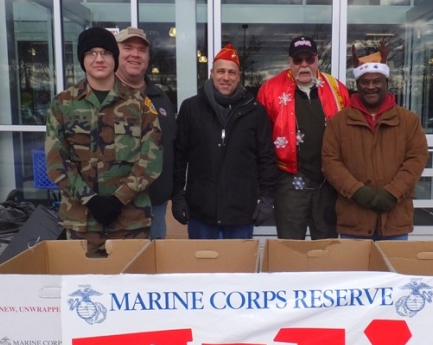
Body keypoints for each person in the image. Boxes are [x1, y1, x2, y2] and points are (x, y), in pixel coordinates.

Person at [45, 26, 163, 255]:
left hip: (130, 222)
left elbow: (152, 159)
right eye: (91, 53)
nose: (99, 59)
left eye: (106, 53)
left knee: (129, 286)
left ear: (114, 58)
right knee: (83, 288)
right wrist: (90, 200)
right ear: (83, 59)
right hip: (81, 223)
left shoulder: (140, 104)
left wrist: (119, 199)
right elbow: (56, 161)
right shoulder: (62, 104)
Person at [321, 42, 429, 241]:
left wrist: (392, 193)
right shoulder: (338, 122)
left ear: (386, 83)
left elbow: (416, 159)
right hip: (354, 221)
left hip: (394, 220)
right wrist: (358, 192)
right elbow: (330, 162)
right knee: (355, 272)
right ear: (357, 85)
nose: (371, 87)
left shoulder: (409, 121)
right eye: (365, 82)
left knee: (392, 272)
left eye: (377, 81)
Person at [172, 43, 277, 239]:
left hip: (241, 211)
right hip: (201, 209)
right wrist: (178, 195)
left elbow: (267, 158)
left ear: (239, 76)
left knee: (238, 268)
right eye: (221, 71)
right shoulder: (190, 108)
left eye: (232, 72)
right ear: (211, 73)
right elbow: (179, 156)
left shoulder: (255, 112)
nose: (226, 77)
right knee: (203, 266)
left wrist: (267, 198)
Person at [257, 35, 350, 240]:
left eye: (310, 59)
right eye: (298, 60)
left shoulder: (337, 89)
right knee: (290, 247)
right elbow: (260, 141)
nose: (304, 65)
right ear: (290, 62)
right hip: (288, 180)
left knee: (326, 247)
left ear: (317, 60)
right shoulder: (270, 90)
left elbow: (350, 134)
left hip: (328, 181)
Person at [115, 26, 176, 239]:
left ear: (148, 58)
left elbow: (171, 145)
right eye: (128, 48)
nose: (135, 54)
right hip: (117, 210)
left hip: (155, 208)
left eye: (141, 50)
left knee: (152, 267)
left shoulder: (160, 98)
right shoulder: (104, 97)